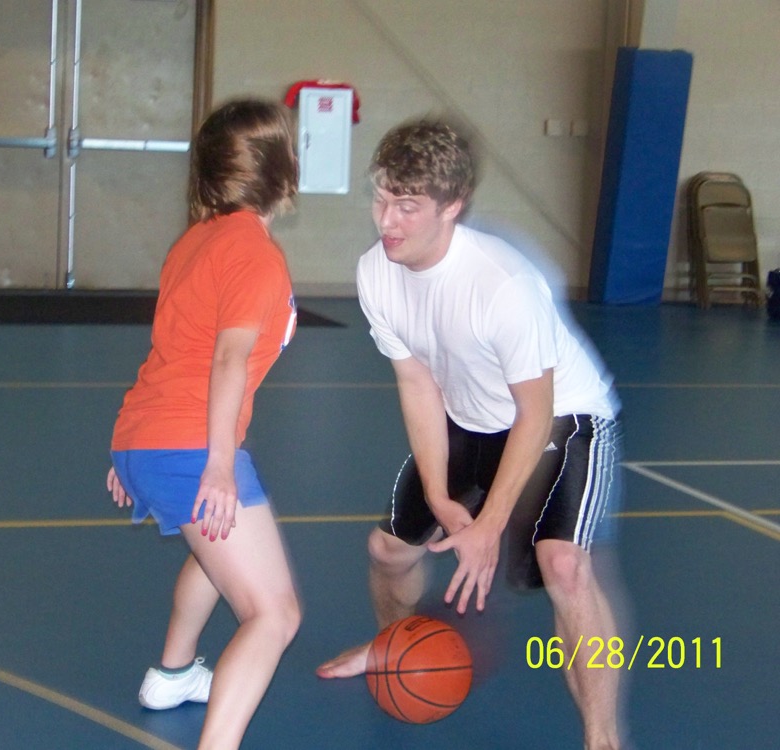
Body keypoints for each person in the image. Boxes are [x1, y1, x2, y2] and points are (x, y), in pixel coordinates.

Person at [316, 119, 627, 750]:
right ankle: (392, 647)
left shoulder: (503, 286)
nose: (387, 220)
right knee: (388, 552)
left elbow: (535, 412)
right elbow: (417, 383)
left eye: (407, 206)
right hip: (467, 416)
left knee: (564, 565)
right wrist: (438, 495)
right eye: (380, 198)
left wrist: (489, 526)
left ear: (452, 206)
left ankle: (603, 738)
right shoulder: (377, 272)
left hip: (562, 418)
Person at [107, 99, 302, 750]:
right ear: (283, 170)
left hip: (148, 438)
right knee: (273, 614)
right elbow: (226, 359)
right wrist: (218, 465)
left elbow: (173, 348)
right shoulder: (254, 254)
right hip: (190, 447)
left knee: (215, 549)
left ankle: (173, 673)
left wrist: (133, 452)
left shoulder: (194, 242)